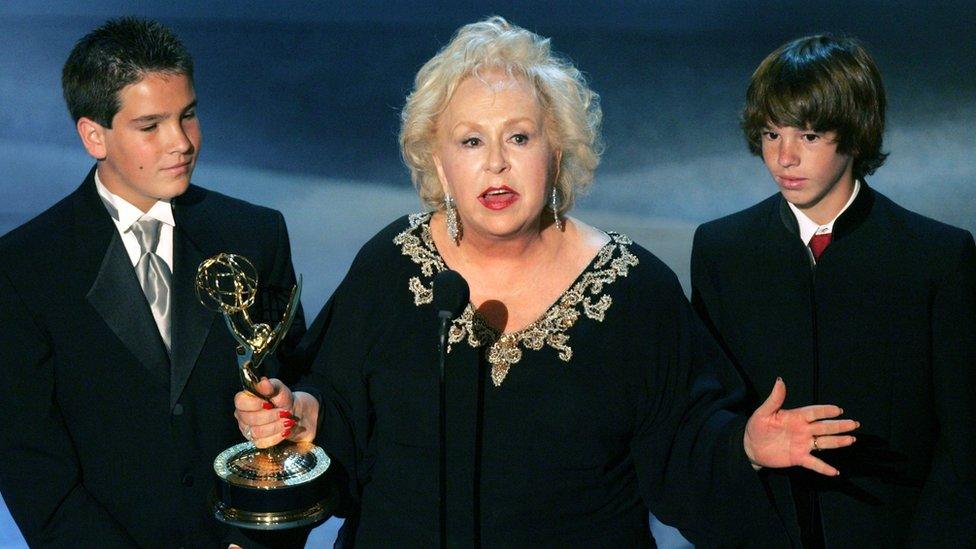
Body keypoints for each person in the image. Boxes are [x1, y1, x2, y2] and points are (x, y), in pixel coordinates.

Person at [237, 18, 857, 547]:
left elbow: (685, 444)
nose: (496, 163)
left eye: (520, 137)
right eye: (471, 140)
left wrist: (744, 447)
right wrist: (302, 417)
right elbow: (335, 405)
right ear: (438, 162)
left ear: (557, 152)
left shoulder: (635, 289)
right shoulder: (390, 266)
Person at [0, 17, 306, 547]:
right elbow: (29, 462)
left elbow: (302, 389)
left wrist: (261, 538)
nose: (181, 143)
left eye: (188, 116)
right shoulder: (24, 267)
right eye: (151, 126)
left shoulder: (256, 233)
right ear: (94, 135)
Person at [691, 35, 976, 547]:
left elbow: (965, 438)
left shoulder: (937, 256)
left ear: (855, 134)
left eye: (810, 135)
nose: (784, 158)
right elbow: (704, 410)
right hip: (761, 529)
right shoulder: (721, 249)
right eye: (770, 134)